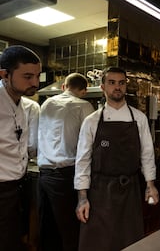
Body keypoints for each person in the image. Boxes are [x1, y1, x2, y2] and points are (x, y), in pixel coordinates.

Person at [75, 67, 159, 251]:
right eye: (112, 83)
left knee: (129, 241)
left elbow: (147, 154)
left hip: (130, 190)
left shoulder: (139, 118)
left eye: (121, 83)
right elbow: (82, 161)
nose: (117, 87)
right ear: (103, 86)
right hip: (100, 192)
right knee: (99, 243)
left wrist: (150, 185)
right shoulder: (92, 121)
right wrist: (82, 198)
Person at [37, 73, 94, 251]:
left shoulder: (46, 103)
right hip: (66, 175)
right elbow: (92, 141)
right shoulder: (84, 106)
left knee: (47, 230)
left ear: (64, 87)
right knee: (70, 230)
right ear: (84, 91)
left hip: (44, 175)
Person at [0, 45, 41, 250]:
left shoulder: (29, 107)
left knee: (13, 241)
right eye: (27, 76)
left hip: (18, 187)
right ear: (5, 75)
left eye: (37, 76)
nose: (35, 83)